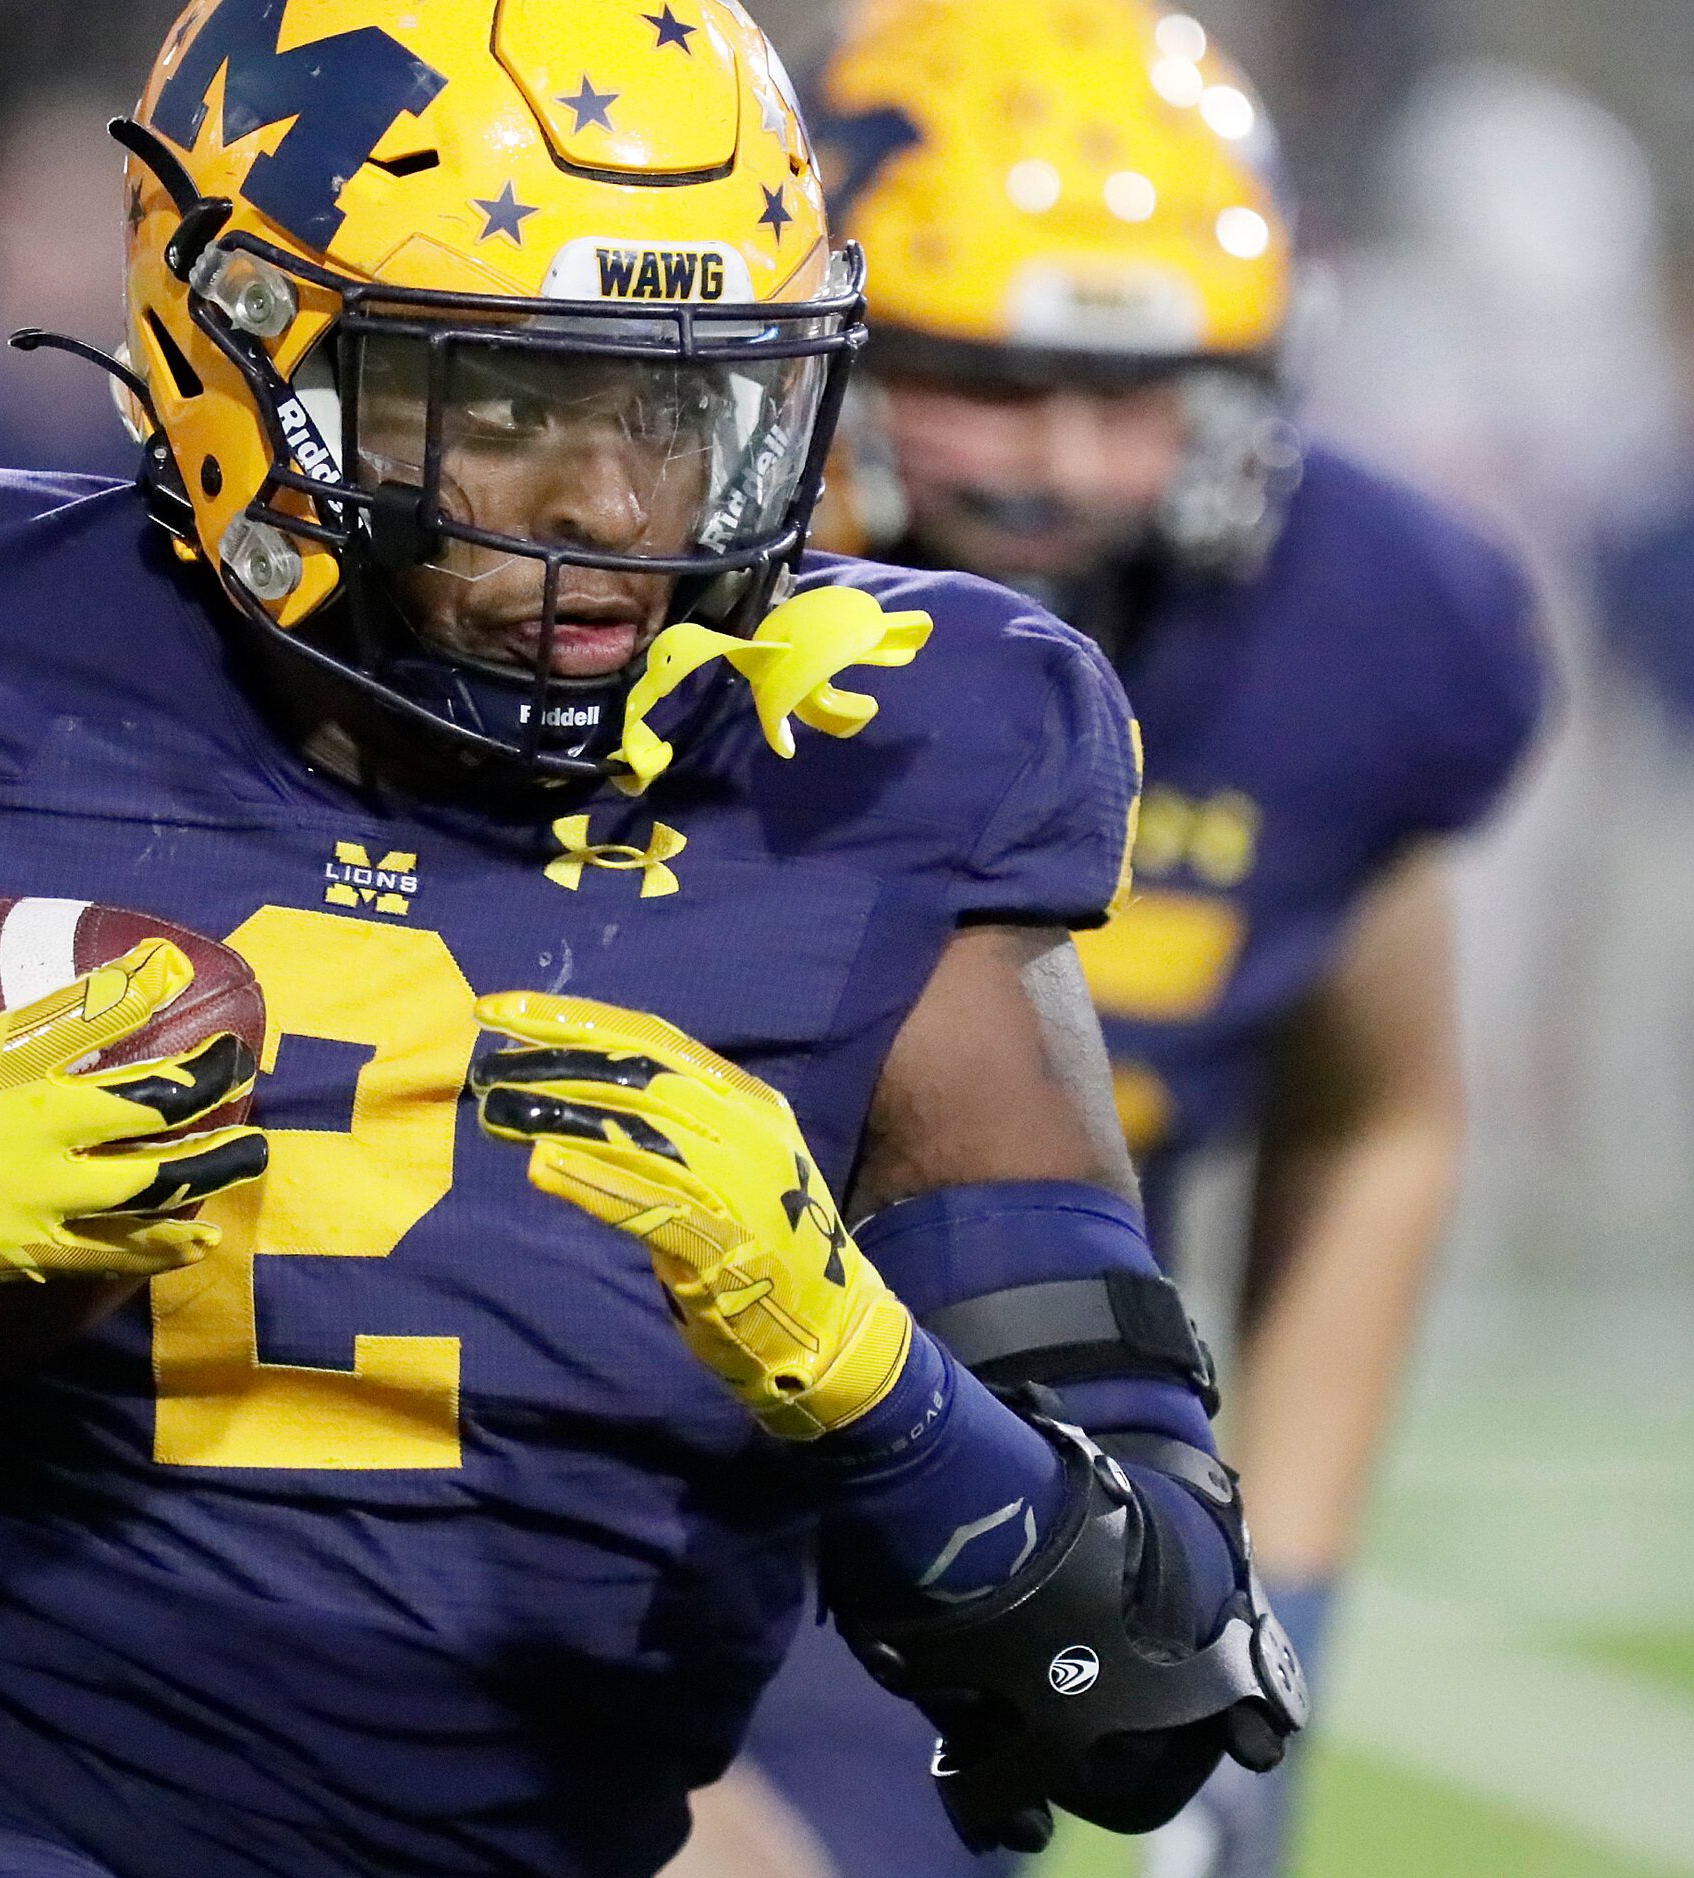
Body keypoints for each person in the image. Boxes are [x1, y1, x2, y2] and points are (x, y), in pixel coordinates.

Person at [0, 3, 1304, 1873]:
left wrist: (869, 1377)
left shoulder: (880, 768)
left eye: (675, 409)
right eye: (500, 404)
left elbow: (1143, 1700)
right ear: (243, 358)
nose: (606, 506)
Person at [718, 4, 1546, 1876]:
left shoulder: (1358, 631)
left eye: (1141, 388)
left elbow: (1378, 1113)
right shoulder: (637, 585)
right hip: (567, 1436)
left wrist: (1284, 1579)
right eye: (987, 382)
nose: (1070, 465)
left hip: (957, 1447)